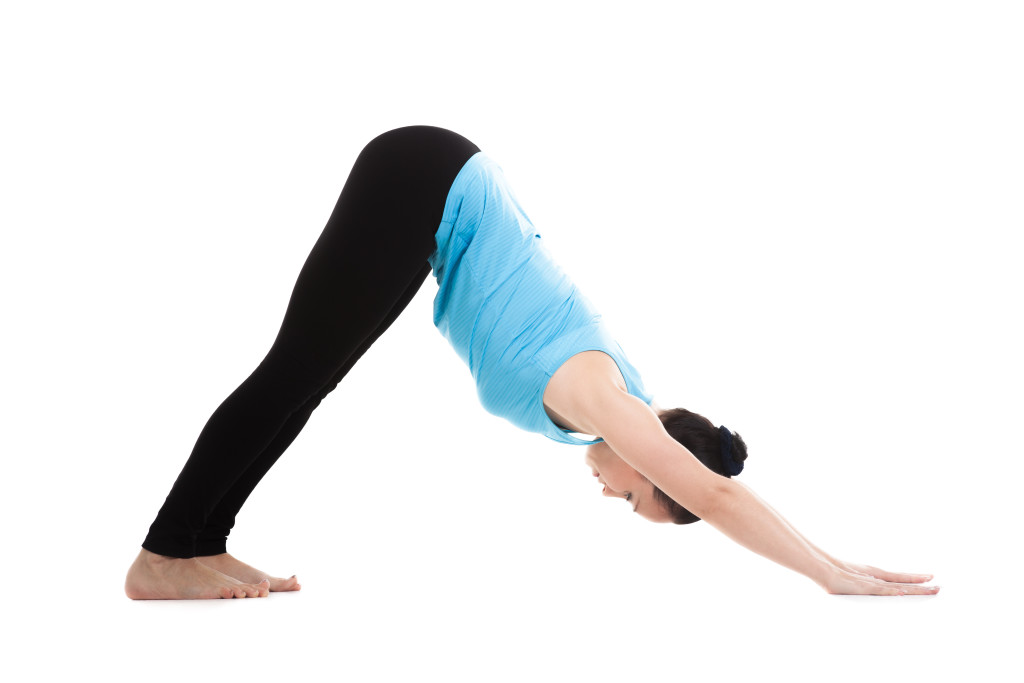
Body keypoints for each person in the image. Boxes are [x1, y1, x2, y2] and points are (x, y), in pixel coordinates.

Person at [125, 125, 938, 599]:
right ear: (655, 462)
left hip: (435, 196)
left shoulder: (619, 397)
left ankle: (199, 545)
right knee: (294, 371)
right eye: (636, 498)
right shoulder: (604, 398)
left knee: (306, 380)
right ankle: (163, 553)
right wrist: (836, 578)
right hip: (425, 179)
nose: (611, 495)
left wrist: (839, 559)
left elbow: (709, 479)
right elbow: (716, 491)